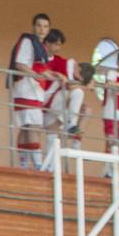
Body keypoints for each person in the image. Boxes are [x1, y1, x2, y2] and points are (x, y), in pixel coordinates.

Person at [9, 14, 57, 169]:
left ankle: (24, 164)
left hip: (34, 91)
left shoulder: (40, 47)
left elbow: (40, 68)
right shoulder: (28, 42)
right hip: (26, 90)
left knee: (25, 127)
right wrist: (37, 75)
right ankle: (38, 165)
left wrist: (55, 75)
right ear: (33, 27)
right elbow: (20, 64)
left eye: (45, 26)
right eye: (39, 25)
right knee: (33, 126)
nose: (42, 29)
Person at [38, 29, 86, 167]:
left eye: (60, 45)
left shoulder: (61, 61)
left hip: (55, 102)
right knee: (77, 92)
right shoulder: (39, 58)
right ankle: (71, 126)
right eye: (56, 44)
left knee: (53, 135)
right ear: (47, 43)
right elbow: (69, 86)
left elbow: (70, 84)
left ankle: (50, 167)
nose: (58, 48)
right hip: (44, 99)